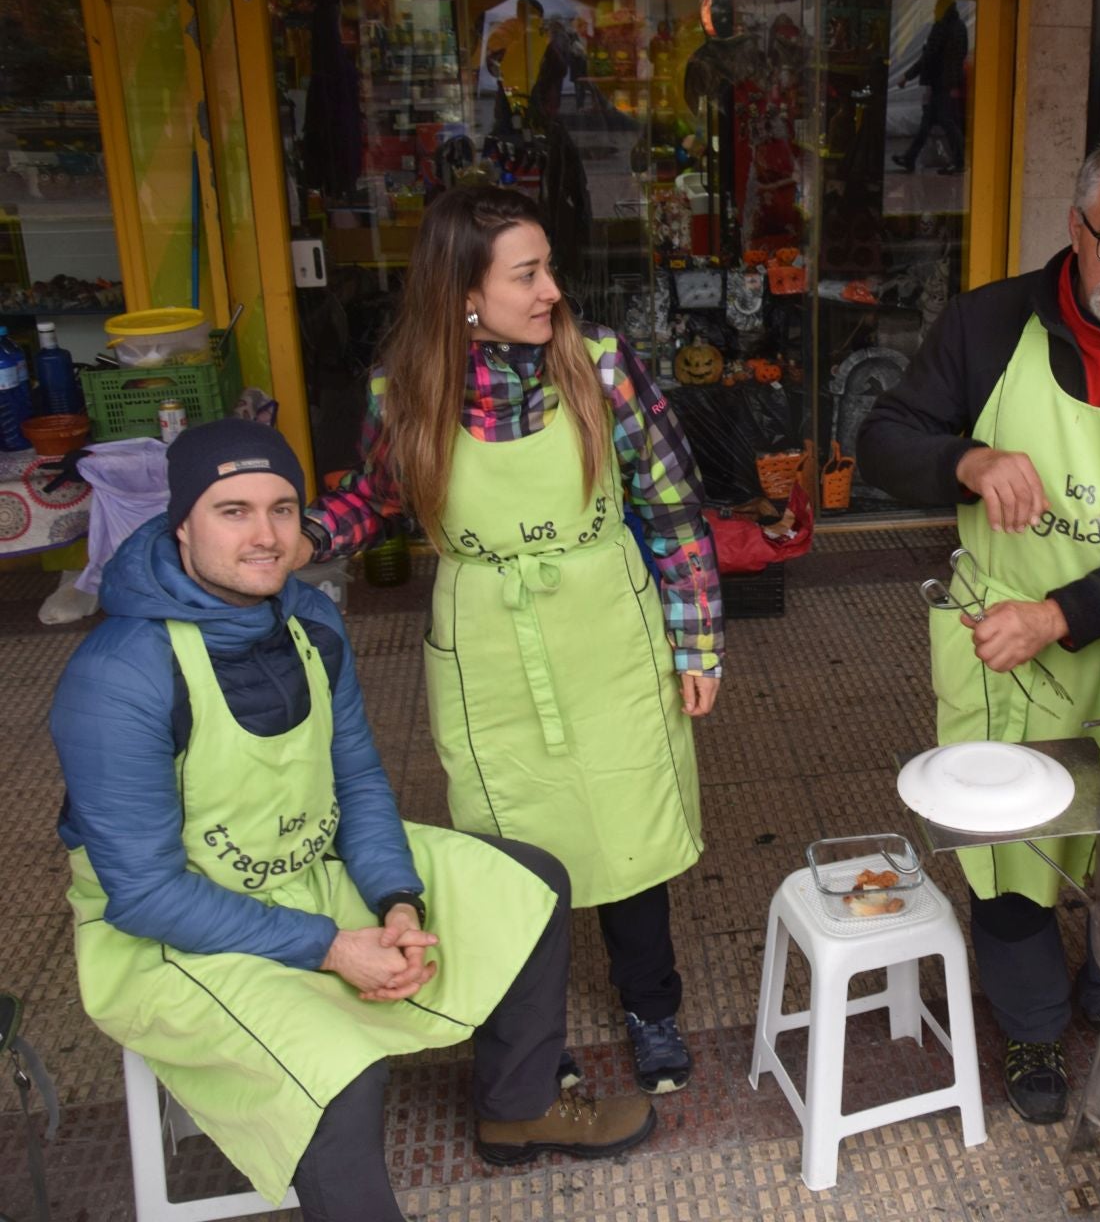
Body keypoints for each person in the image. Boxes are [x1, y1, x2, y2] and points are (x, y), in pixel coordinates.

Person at [52, 419, 657, 1221]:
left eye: (281, 508)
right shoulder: (119, 675)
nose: (266, 536)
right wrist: (335, 949)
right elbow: (143, 895)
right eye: (232, 512)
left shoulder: (311, 621)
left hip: (306, 872)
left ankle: (520, 1104)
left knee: (532, 879)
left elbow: (360, 780)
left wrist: (395, 902)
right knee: (335, 1066)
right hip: (170, 939)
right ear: (182, 525)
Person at [858, 129, 1100, 1123]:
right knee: (1009, 852)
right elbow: (881, 441)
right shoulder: (988, 325)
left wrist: (1063, 615)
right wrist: (967, 460)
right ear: (1075, 227)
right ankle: (1032, 1023)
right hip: (999, 641)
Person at [292, 185, 722, 1096]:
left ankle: (653, 1007)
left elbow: (674, 509)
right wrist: (300, 538)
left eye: (549, 269)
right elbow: (374, 499)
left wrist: (697, 643)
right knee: (511, 843)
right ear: (463, 295)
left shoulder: (601, 367)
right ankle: (536, 1037)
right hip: (488, 645)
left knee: (628, 831)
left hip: (609, 629)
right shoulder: (403, 391)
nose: (551, 291)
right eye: (527, 274)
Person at [892, 0, 967, 175]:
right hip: (947, 81)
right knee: (928, 122)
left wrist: (907, 76)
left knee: (946, 121)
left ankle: (959, 162)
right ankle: (910, 158)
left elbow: (928, 56)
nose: (933, 10)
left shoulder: (941, 27)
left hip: (939, 81)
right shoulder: (960, 27)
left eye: (936, 7)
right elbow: (959, 55)